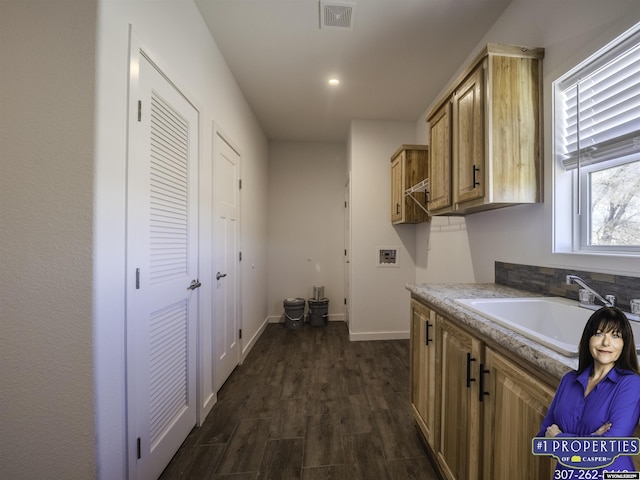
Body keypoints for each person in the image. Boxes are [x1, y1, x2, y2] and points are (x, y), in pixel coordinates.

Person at [538, 307, 640, 476]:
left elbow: (608, 449)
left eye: (615, 335)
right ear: (588, 339)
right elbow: (542, 440)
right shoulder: (569, 380)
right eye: (599, 333)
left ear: (625, 343)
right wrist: (592, 439)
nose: (606, 343)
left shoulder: (631, 384)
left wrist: (560, 439)